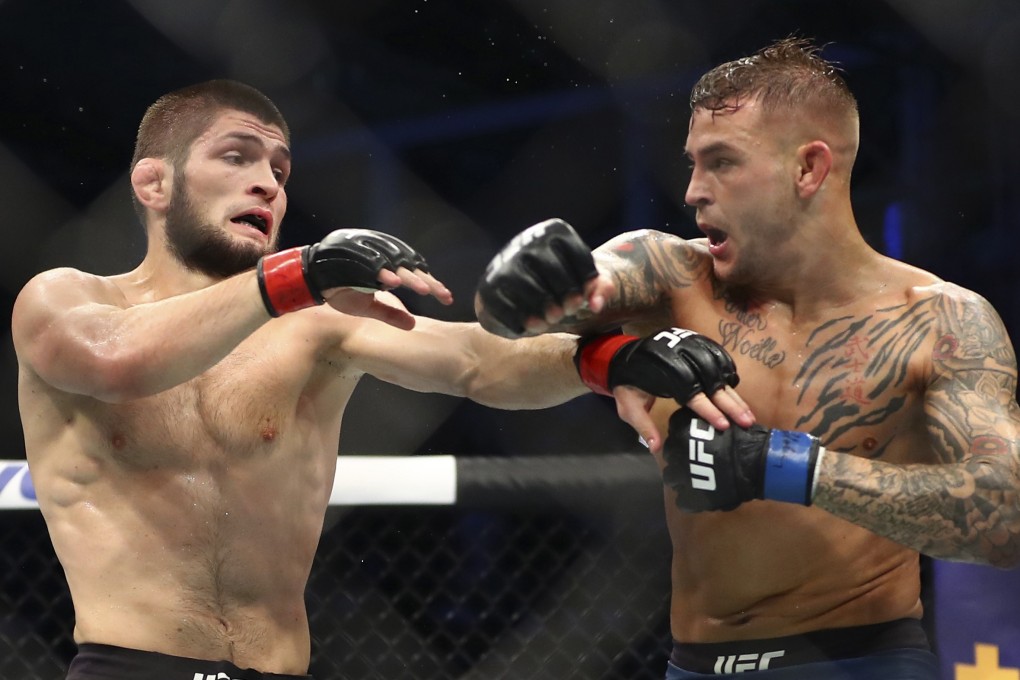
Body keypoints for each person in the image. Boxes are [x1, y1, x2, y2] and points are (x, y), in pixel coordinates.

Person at [11, 80, 748, 680]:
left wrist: (606, 359)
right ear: (152, 181)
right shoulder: (67, 299)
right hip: (130, 668)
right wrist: (297, 272)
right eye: (236, 157)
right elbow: (114, 362)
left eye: (278, 169)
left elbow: (476, 362)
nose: (265, 183)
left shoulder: (312, 322)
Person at [475, 38, 1020, 679]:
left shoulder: (939, 318)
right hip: (693, 666)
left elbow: (1003, 515)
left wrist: (787, 468)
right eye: (692, 163)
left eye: (722, 162)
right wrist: (533, 288)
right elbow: (571, 295)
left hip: (860, 663)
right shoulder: (674, 274)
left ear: (808, 168)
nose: (693, 192)